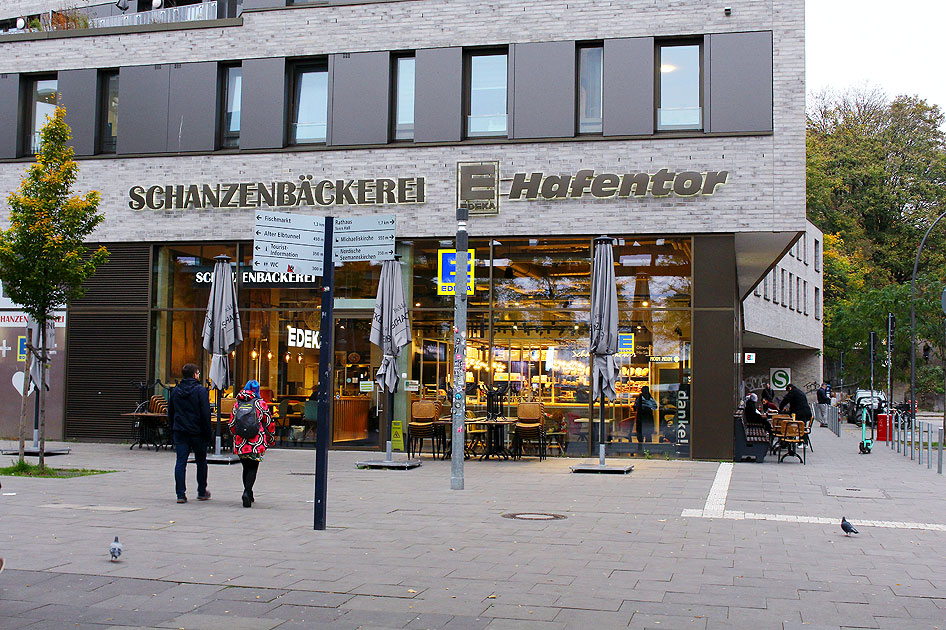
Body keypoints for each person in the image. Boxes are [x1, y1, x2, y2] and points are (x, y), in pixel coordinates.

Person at [168, 363, 212, 504]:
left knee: (181, 461)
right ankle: (201, 491)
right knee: (201, 461)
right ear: (194, 375)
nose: (198, 375)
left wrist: (172, 427)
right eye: (198, 373)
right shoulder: (200, 391)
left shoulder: (176, 391)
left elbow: (171, 411)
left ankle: (180, 494)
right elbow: (205, 413)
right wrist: (208, 432)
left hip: (180, 430)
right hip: (197, 431)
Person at [228, 379, 275, 508]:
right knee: (253, 467)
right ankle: (247, 492)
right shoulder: (261, 404)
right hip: (256, 441)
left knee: (246, 467)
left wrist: (235, 435)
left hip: (241, 441)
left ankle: (249, 492)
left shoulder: (237, 404)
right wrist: (271, 438)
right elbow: (269, 422)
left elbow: (232, 424)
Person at [633, 385, 658, 450]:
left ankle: (644, 448)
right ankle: (645, 448)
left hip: (643, 418)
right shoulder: (649, 398)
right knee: (646, 433)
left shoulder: (640, 398)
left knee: (645, 433)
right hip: (645, 418)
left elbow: (635, 407)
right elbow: (655, 407)